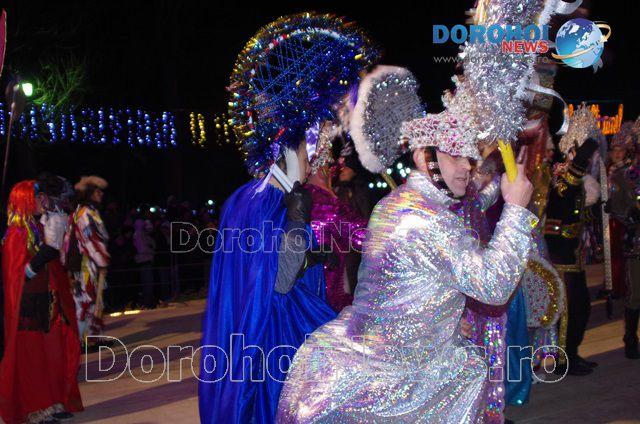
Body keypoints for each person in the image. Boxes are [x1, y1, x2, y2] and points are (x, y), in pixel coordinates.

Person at [277, 66, 537, 422]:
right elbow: (493, 286)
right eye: (454, 155)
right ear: (421, 157)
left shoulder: (402, 203)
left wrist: (446, 321)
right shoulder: (425, 218)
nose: (466, 166)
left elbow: (406, 289)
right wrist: (517, 211)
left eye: (469, 157)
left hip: (396, 361)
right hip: (398, 381)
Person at [198, 13, 378, 424]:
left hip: (270, 331)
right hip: (277, 337)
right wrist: (298, 224)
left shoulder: (248, 197)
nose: (312, 160)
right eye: (306, 151)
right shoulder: (269, 202)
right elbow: (278, 280)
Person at [0, 180, 83, 424]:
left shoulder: (37, 227)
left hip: (47, 303)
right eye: (37, 198)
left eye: (43, 197)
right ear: (25, 201)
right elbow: (17, 276)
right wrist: (40, 260)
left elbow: (54, 264)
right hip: (27, 308)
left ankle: (53, 401)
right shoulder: (16, 233)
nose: (42, 202)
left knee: (52, 354)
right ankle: (35, 408)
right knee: (32, 358)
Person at [544, 105, 602, 375]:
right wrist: (587, 147)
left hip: (572, 254)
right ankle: (563, 361)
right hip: (560, 255)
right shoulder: (560, 176)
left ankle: (572, 354)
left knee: (581, 308)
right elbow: (569, 184)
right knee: (568, 310)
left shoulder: (574, 178)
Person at [305, 124, 368, 311]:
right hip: (327, 303)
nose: (334, 169)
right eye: (329, 164)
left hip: (307, 300)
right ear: (323, 168)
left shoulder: (301, 197)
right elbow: (365, 235)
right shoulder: (326, 204)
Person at [62, 176, 110, 348]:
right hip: (84, 265)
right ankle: (81, 341)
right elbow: (91, 240)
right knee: (84, 301)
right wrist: (102, 260)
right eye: (98, 191)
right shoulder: (85, 214)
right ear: (89, 193)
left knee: (92, 300)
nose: (101, 194)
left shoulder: (85, 212)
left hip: (88, 263)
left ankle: (93, 337)